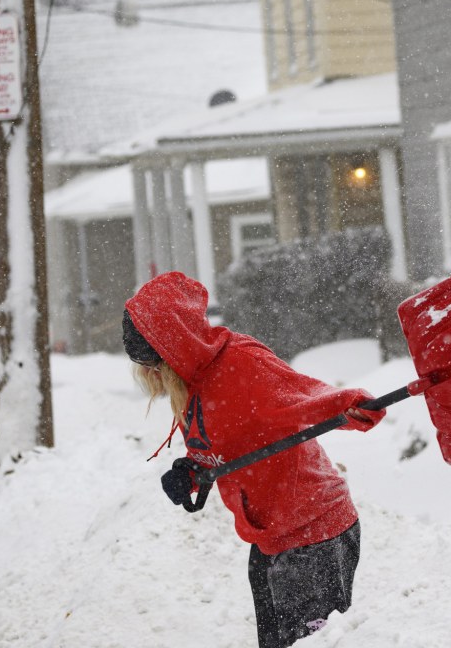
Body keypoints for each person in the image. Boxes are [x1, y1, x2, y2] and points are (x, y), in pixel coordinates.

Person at [123, 271, 384, 648]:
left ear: (174, 348)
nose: (149, 374)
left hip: (314, 533)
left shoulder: (241, 363)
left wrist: (352, 406)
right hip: (269, 539)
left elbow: (305, 396)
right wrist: (192, 471)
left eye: (153, 363)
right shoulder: (192, 386)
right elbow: (225, 445)